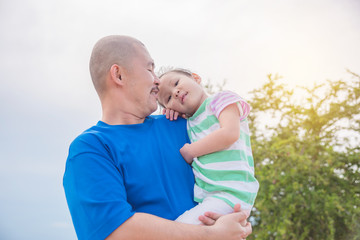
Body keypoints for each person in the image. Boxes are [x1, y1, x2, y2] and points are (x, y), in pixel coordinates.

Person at [63, 35, 252, 240]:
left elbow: (233, 168)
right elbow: (116, 232)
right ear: (118, 75)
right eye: (149, 69)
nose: (157, 80)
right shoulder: (90, 150)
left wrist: (235, 225)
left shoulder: (185, 125)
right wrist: (210, 234)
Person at [157, 68, 259, 224]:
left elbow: (230, 133)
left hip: (232, 191)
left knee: (180, 228)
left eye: (176, 83)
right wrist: (171, 116)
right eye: (169, 98)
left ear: (196, 78)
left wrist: (191, 151)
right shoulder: (190, 122)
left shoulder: (220, 100)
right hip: (213, 196)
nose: (175, 92)